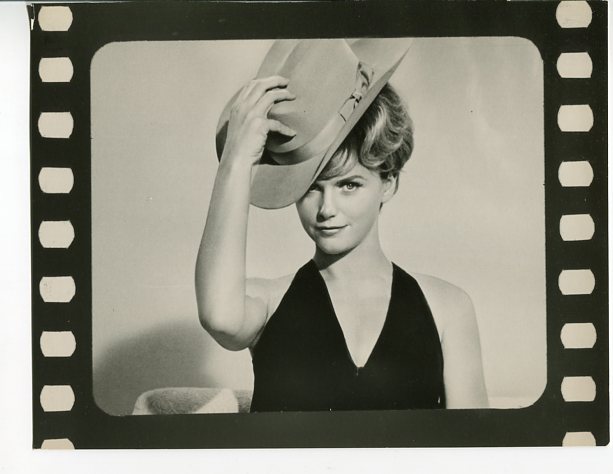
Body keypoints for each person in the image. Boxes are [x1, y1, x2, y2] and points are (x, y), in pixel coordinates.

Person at [195, 39, 488, 412]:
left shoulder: (448, 308)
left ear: (388, 183)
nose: (326, 209)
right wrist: (236, 157)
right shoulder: (267, 303)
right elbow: (218, 316)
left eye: (349, 185)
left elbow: (472, 442)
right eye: (311, 188)